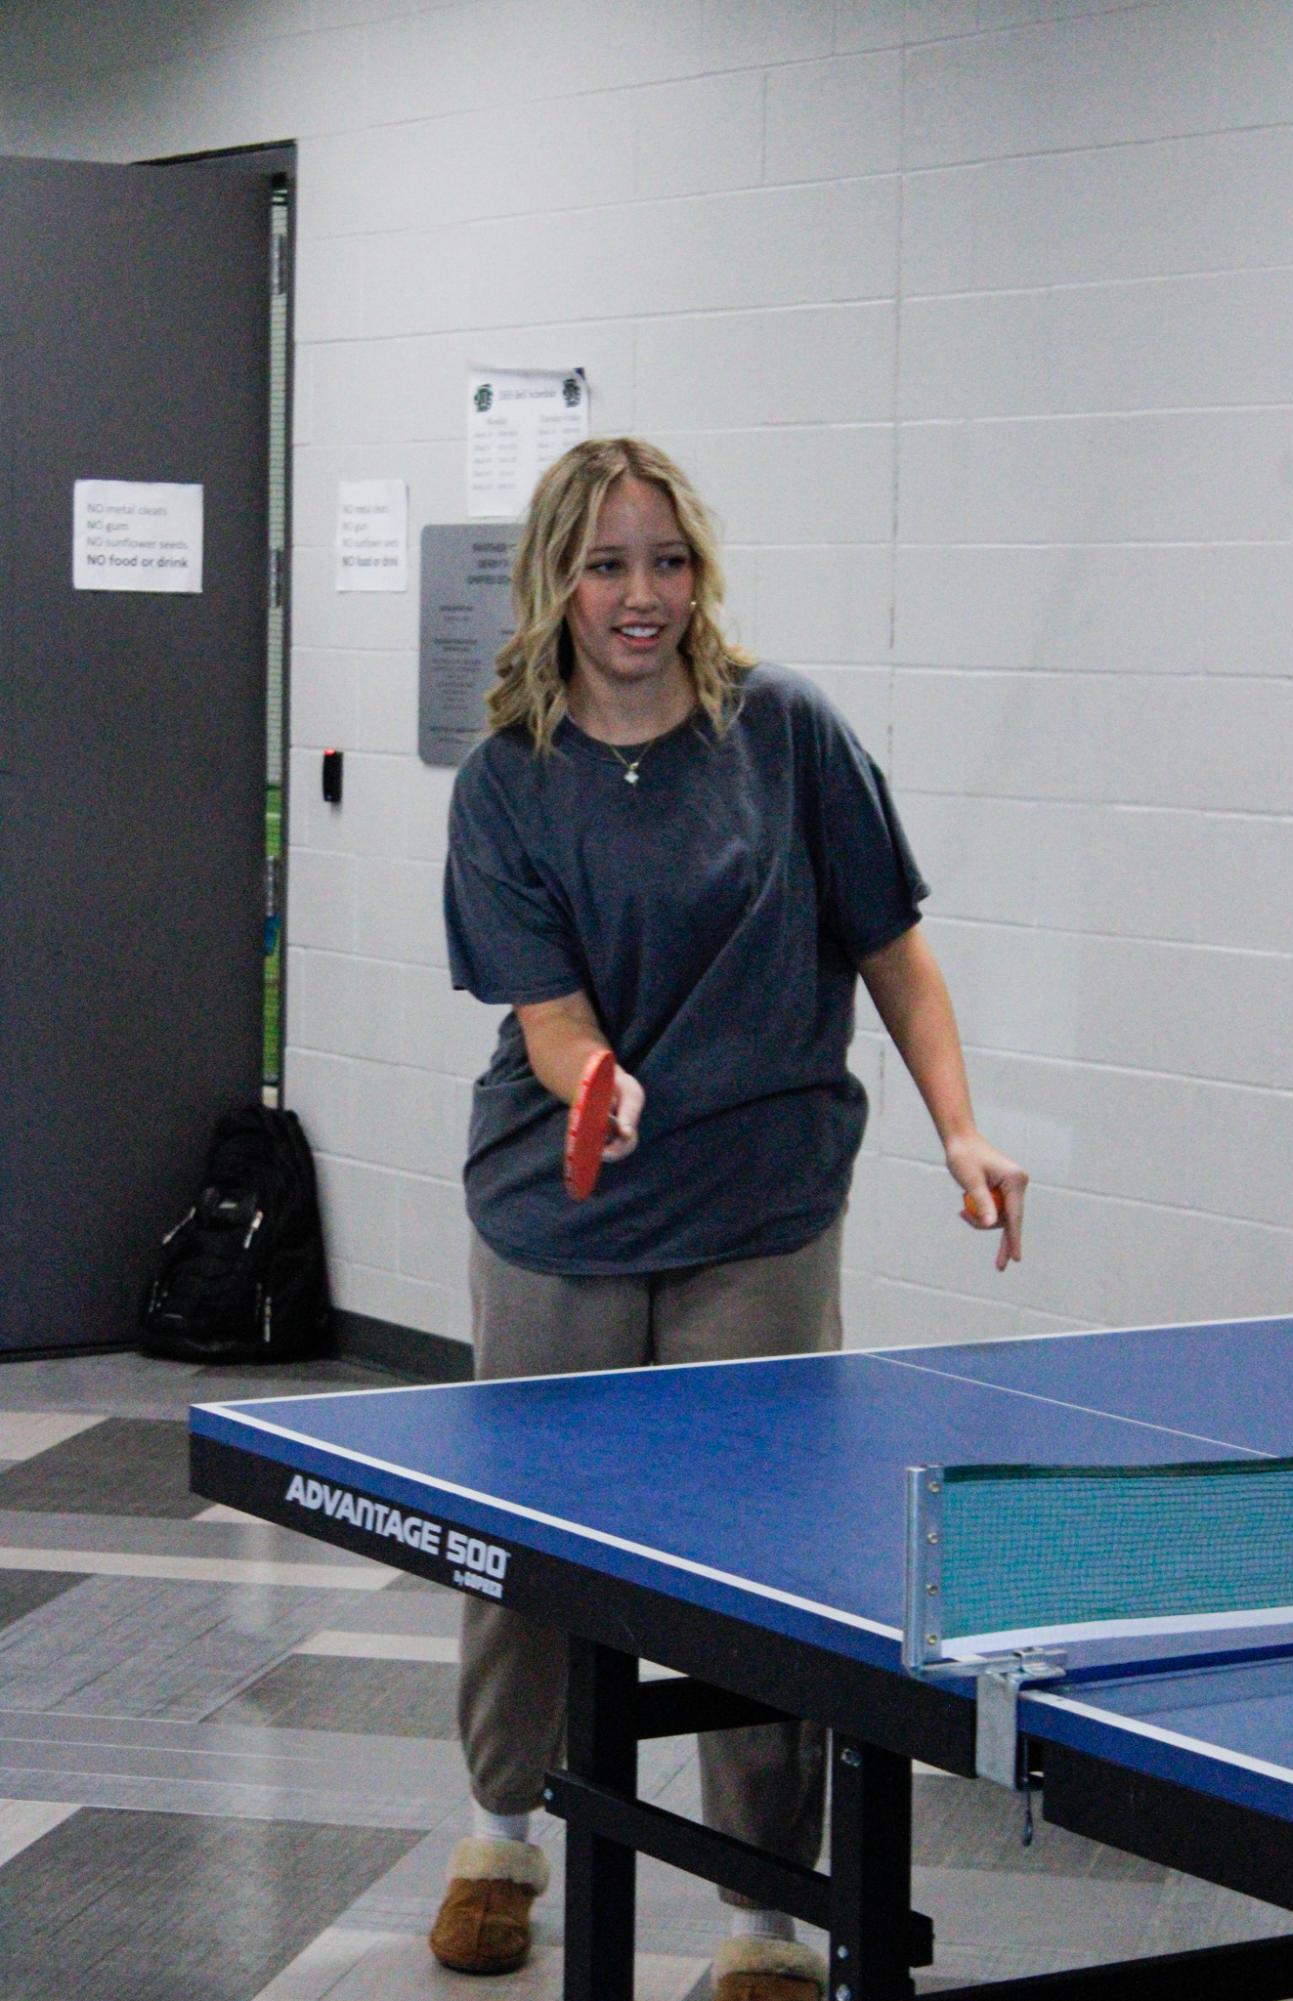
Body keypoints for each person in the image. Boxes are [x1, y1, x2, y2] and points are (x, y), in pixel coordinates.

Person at [434, 436, 1027, 2001]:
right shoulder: (509, 780)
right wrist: (592, 1085)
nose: (640, 594)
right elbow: (549, 1019)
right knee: (527, 1550)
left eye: (667, 560)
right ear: (555, 578)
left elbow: (892, 949)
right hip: (558, 1215)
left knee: (759, 1578)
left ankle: (760, 1917)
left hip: (762, 1207)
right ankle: (501, 1826)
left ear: (699, 571)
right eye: (607, 562)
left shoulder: (790, 733)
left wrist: (960, 1122)